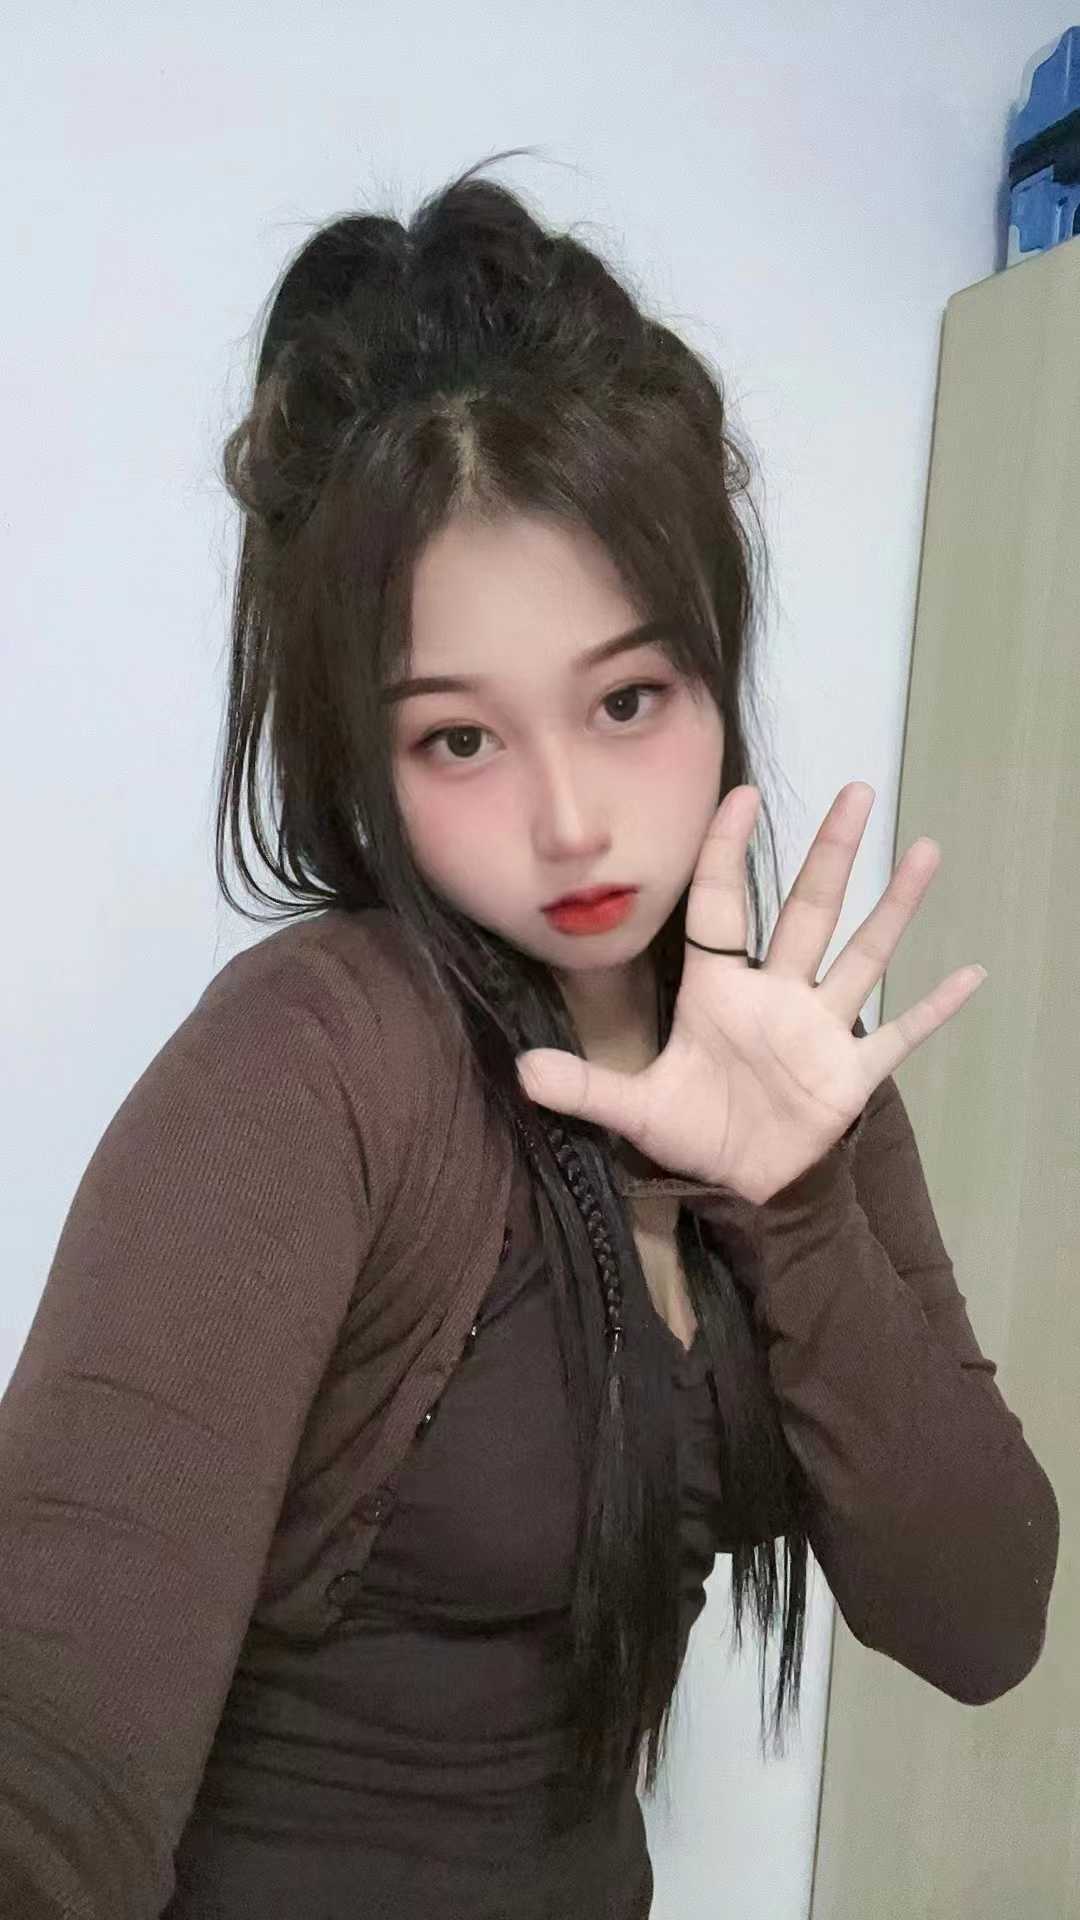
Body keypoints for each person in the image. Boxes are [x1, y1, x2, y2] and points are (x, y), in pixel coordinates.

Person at [0, 147, 1059, 1920]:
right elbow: (48, 1741)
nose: (572, 825)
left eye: (628, 699)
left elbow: (983, 1618)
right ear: (368, 755)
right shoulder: (313, 1061)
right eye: (461, 740)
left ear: (713, 665)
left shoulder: (787, 1052)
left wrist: (794, 1207)